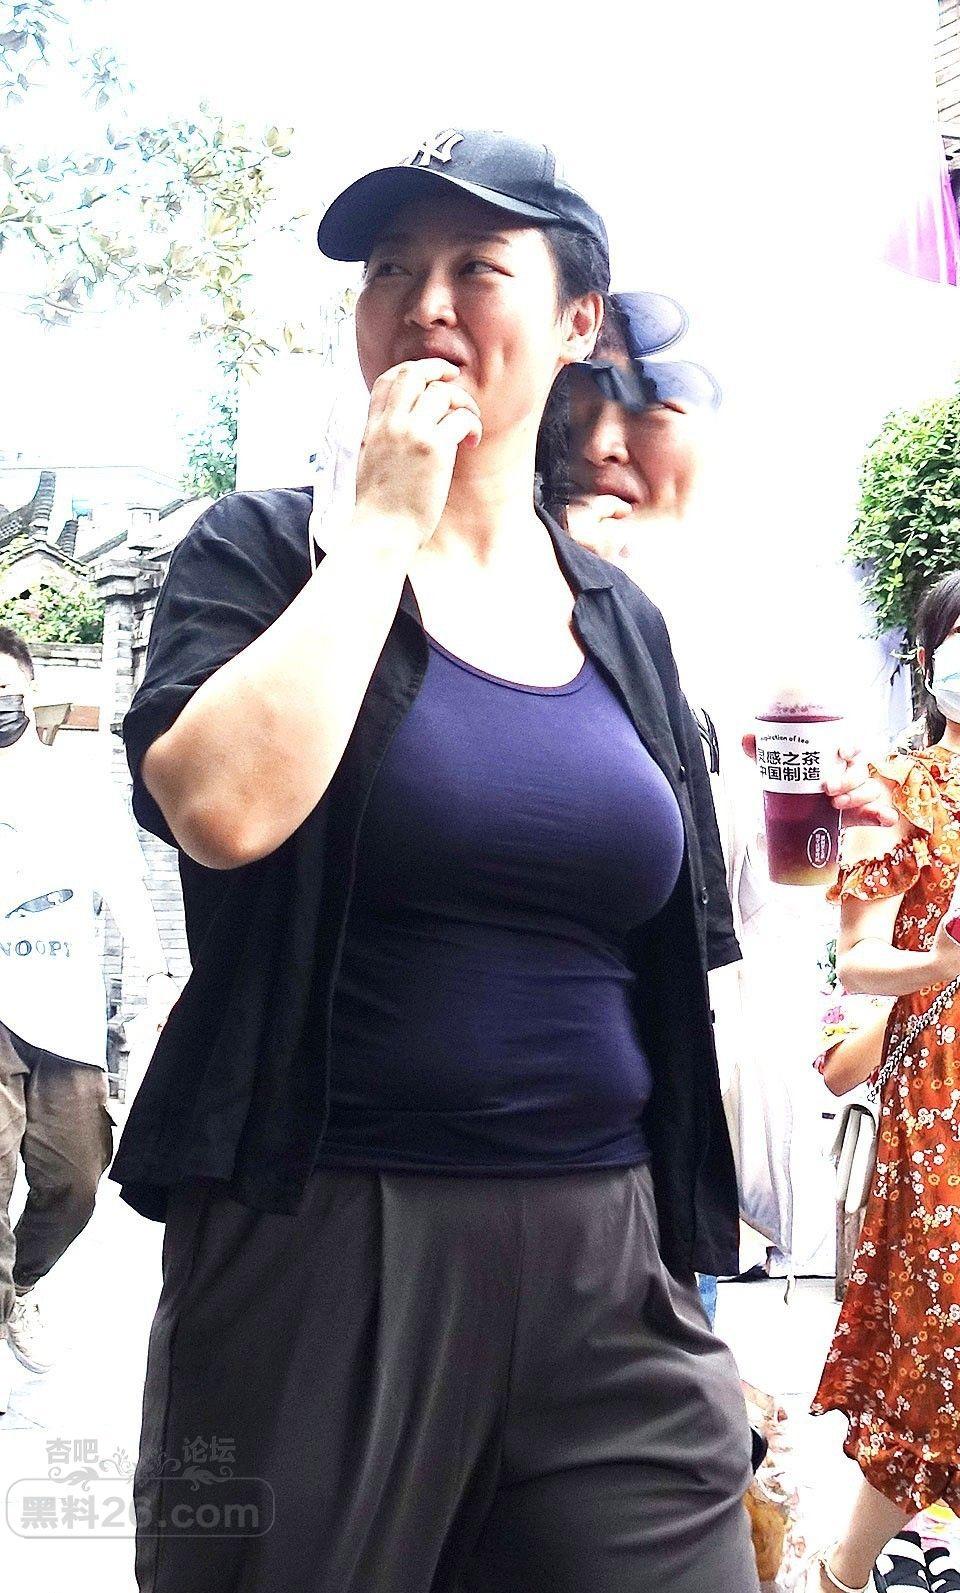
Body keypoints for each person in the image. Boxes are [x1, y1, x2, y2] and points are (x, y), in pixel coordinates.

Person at [114, 129, 892, 1593]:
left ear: (577, 319)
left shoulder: (618, 616)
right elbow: (220, 808)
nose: (425, 302)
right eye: (389, 270)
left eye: (478, 267)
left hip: (613, 1250)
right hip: (325, 1248)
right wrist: (378, 534)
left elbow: (673, 908)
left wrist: (840, 826)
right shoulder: (266, 553)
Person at [801, 570, 960, 1592]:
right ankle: (842, 1571)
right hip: (942, 1099)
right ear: (930, 661)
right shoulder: (899, 792)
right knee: (941, 1349)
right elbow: (855, 961)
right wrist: (938, 964)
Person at [0, 626, 177, 1411]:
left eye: (5, 689)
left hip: (65, 1014)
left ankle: (22, 1284)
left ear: (30, 689)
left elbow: (126, 884)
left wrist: (155, 977)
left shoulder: (75, 788)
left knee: (75, 1178)